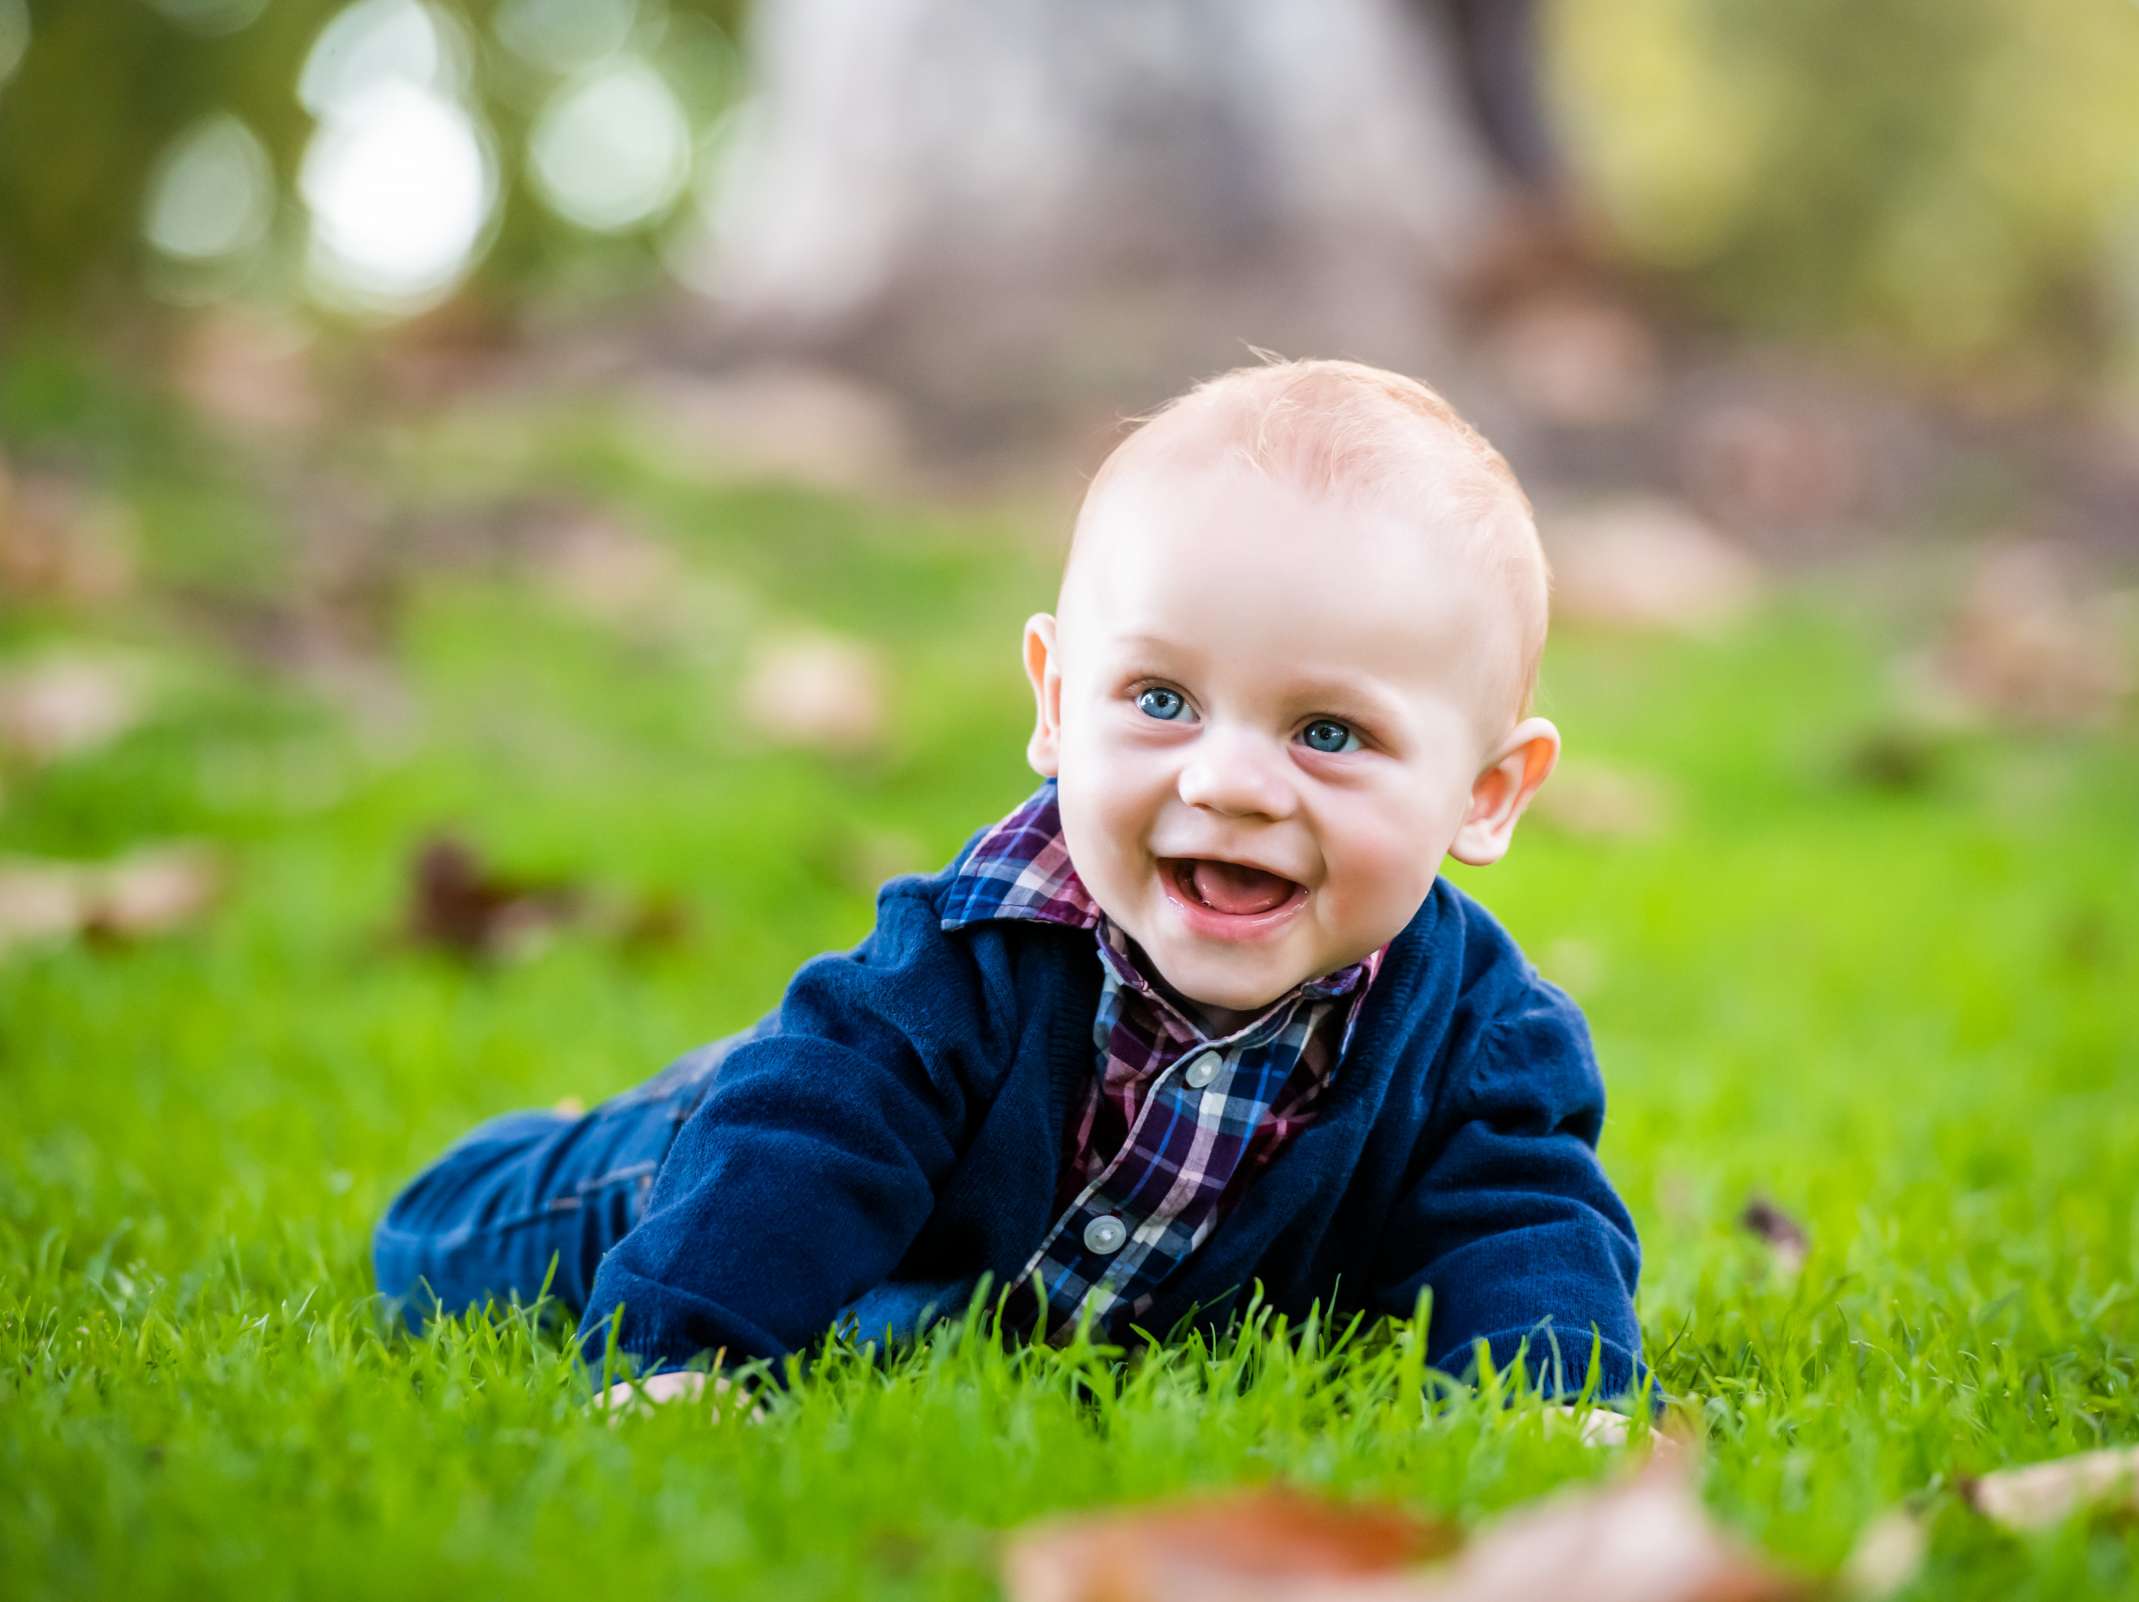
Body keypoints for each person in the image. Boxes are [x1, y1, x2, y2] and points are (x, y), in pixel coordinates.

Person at [373, 357, 1644, 1424]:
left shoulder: (1483, 1037)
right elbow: (811, 1137)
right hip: (734, 1167)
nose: (1230, 782)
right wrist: (689, 1354)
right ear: (1054, 701)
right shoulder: (967, 959)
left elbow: (1519, 1223)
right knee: (460, 1245)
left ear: (1486, 793)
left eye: (1327, 732)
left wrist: (1552, 1406)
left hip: (1002, 1278)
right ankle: (535, 1159)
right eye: (1161, 701)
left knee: (914, 1323)